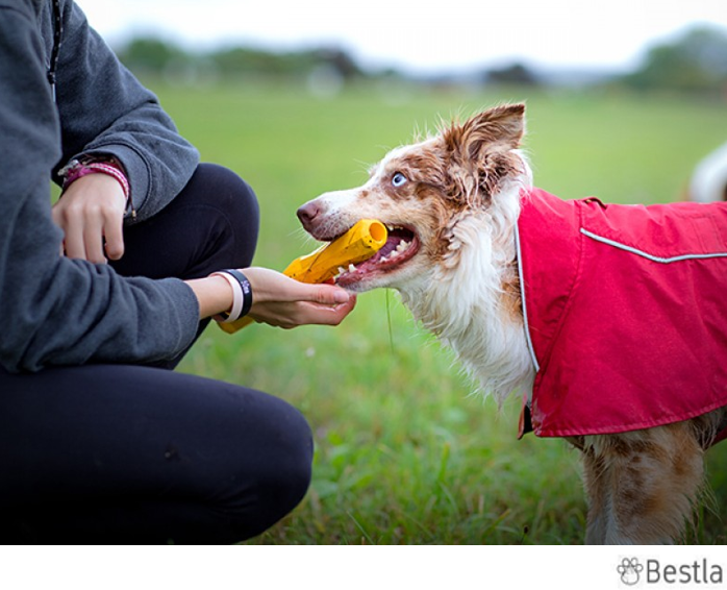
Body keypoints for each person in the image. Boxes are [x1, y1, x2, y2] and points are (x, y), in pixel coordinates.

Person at [0, 0, 356, 544]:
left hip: (19, 322)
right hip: (24, 316)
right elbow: (31, 308)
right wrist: (233, 291)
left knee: (216, 204)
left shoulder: (43, 10)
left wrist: (108, 170)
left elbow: (148, 124)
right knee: (269, 452)